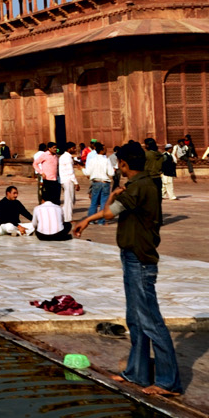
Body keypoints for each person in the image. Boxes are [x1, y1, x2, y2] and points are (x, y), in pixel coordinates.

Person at [72, 140, 181, 397]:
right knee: (136, 319)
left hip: (140, 259)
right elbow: (114, 209)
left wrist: (87, 218)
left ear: (123, 164)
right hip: (132, 256)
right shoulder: (140, 184)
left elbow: (110, 213)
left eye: (118, 163)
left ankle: (169, 382)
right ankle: (137, 373)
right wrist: (112, 196)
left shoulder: (141, 186)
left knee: (151, 321)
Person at [84, 141, 114, 217]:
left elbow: (87, 172)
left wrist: (81, 169)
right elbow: (111, 173)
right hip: (105, 183)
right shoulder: (106, 160)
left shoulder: (92, 160)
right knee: (104, 202)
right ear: (101, 150)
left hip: (95, 182)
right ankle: (101, 220)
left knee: (94, 202)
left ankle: (91, 219)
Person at [57, 141, 77, 215]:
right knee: (69, 200)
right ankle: (67, 217)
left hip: (64, 180)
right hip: (68, 180)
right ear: (69, 149)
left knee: (69, 199)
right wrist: (76, 182)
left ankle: (65, 215)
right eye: (73, 148)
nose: (74, 150)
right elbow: (70, 171)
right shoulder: (68, 158)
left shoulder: (63, 157)